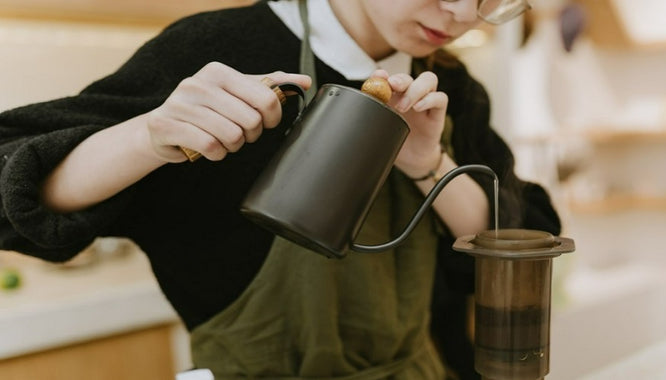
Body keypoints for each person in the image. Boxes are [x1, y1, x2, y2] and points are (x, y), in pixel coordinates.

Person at [0, 0, 561, 379]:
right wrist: (147, 137)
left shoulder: (450, 86)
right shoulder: (219, 48)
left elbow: (512, 241)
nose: (465, 15)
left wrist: (428, 163)